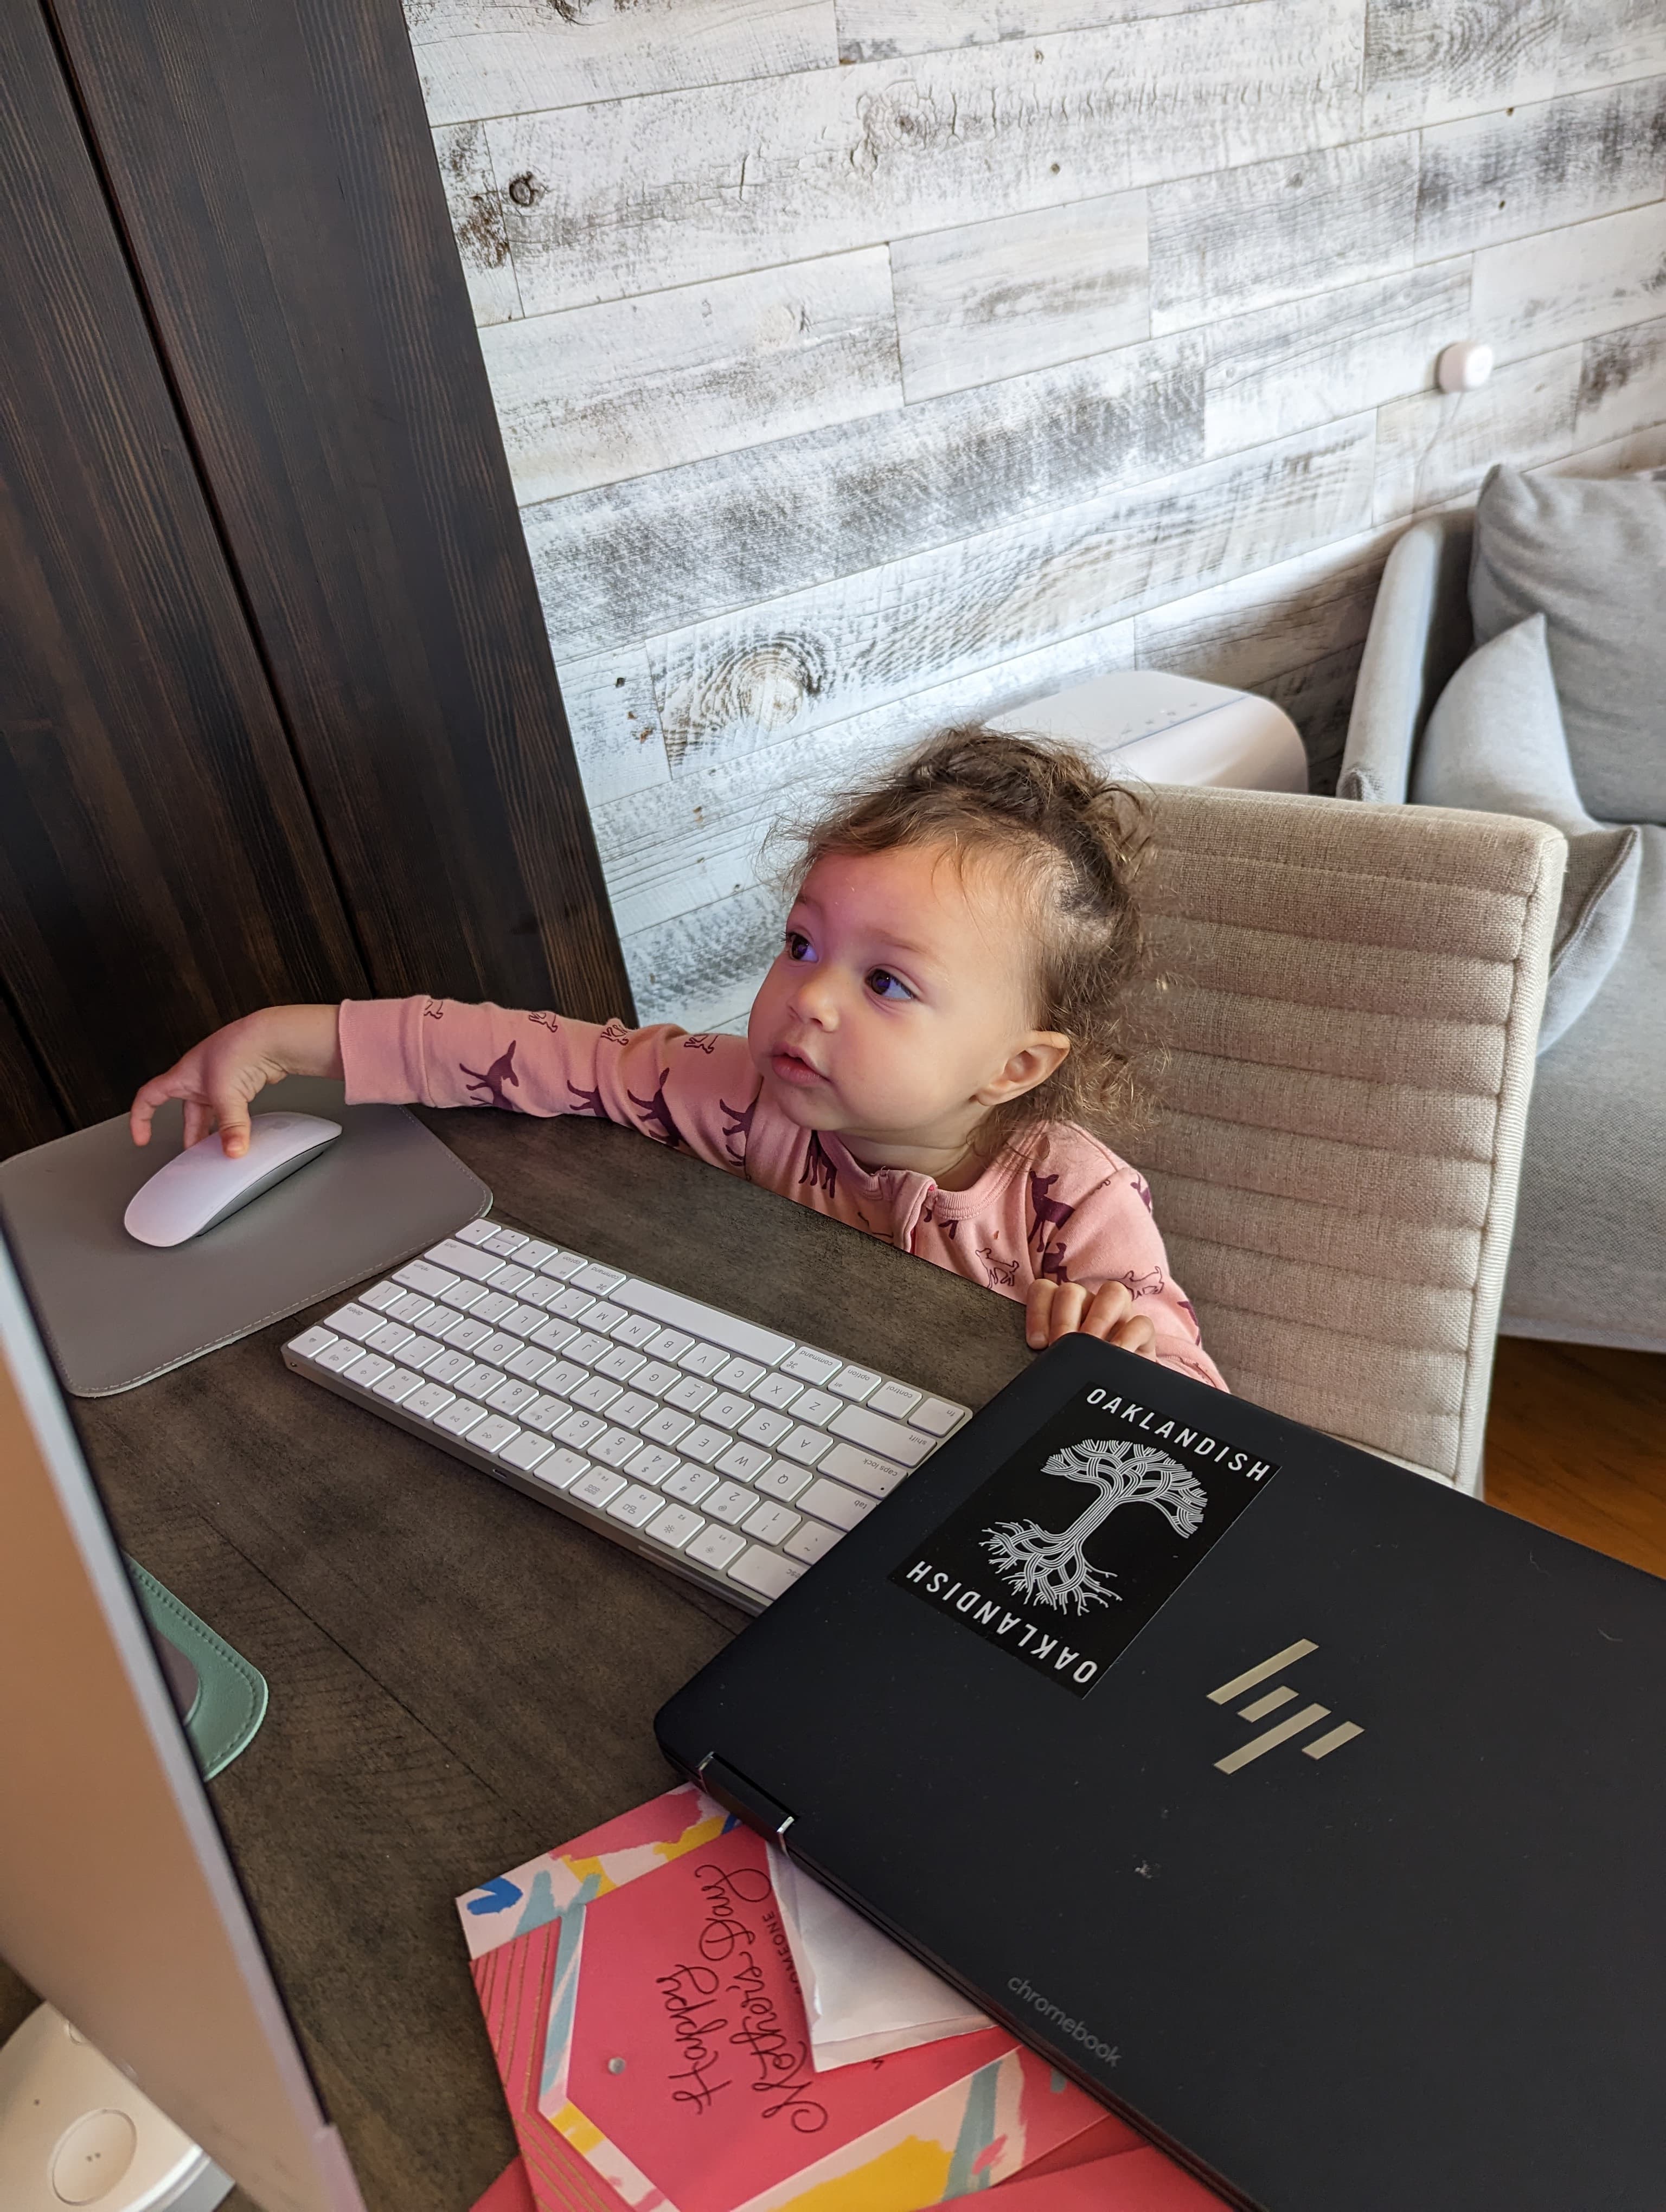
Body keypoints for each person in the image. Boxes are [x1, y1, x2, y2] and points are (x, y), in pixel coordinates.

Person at [131, 728, 1222, 1386]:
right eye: (802, 945)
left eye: (886, 982)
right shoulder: (748, 1098)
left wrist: (1132, 1358)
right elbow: (534, 1054)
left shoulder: (1066, 1196)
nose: (809, 1000)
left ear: (1015, 1068)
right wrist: (286, 1036)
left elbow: (1199, 1419)